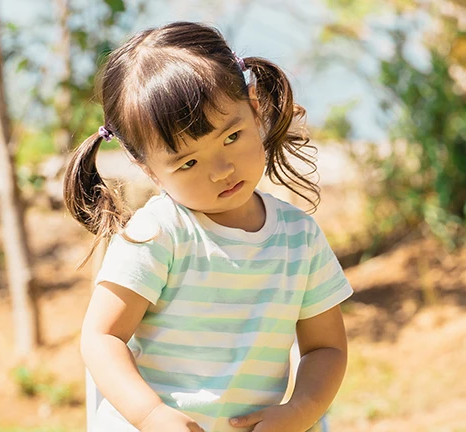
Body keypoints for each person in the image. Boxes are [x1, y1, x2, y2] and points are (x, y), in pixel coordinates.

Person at [63, 21, 353, 432]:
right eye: (188, 162)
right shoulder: (158, 234)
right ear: (148, 169)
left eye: (231, 137)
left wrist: (300, 410)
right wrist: (152, 416)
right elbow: (101, 338)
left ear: (255, 109)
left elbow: (325, 347)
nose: (221, 170)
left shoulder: (299, 238)